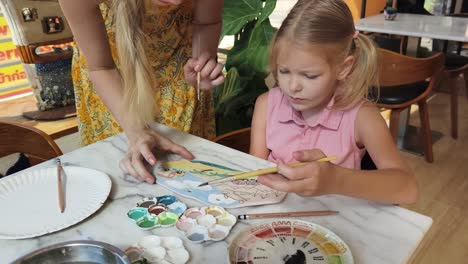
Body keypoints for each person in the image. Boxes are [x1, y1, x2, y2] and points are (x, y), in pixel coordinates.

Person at [250, 0, 418, 204]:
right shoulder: (266, 105)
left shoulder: (361, 117)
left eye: (309, 76)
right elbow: (256, 174)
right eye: (284, 71)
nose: (292, 86)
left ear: (344, 68)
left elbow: (408, 189)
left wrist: (336, 179)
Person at [58, 0, 224, 183]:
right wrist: (136, 131)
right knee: (126, 177)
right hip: (114, 83)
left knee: (189, 176)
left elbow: (206, 22)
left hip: (180, 71)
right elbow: (101, 68)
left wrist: (201, 61)